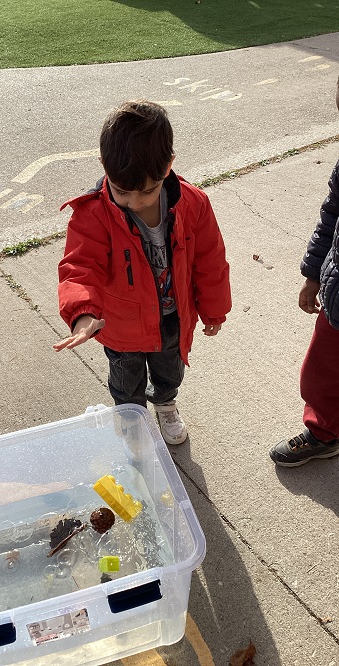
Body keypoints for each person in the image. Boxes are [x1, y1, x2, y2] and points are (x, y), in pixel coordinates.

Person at [54, 100, 231, 445]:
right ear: (104, 165)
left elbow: (210, 261)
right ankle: (132, 422)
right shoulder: (91, 215)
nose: (135, 202)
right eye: (122, 192)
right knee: (125, 383)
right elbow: (79, 266)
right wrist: (83, 312)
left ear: (168, 166)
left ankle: (165, 404)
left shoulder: (193, 203)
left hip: (172, 317)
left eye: (147, 192)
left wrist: (214, 309)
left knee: (169, 373)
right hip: (120, 327)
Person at [269, 79, 339, 467]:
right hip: (337, 296)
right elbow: (330, 218)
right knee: (320, 375)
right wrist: (313, 275)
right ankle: (324, 433)